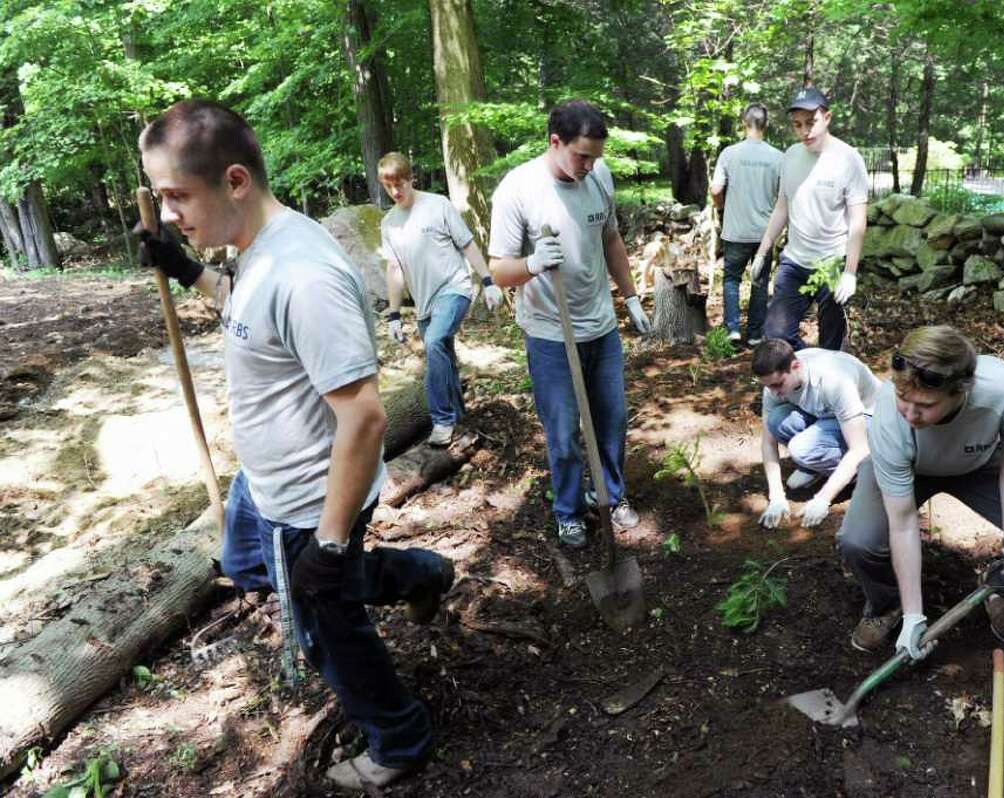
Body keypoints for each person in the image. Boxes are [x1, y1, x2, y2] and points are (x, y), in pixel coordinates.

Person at [136, 100, 453, 791]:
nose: (167, 214)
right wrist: (187, 269)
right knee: (244, 563)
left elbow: (365, 420)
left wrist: (331, 544)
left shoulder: (305, 274)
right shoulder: (256, 252)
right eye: (161, 198)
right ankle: (415, 575)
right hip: (263, 483)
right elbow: (248, 311)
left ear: (236, 180)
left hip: (311, 502)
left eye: (176, 197)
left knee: (325, 633)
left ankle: (399, 740)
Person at [836, 326, 1004, 657]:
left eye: (925, 405)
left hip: (982, 465)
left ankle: (1001, 589)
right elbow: (903, 523)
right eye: (903, 397)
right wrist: (913, 615)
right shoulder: (891, 420)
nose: (910, 413)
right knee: (858, 542)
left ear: (962, 390)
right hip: (911, 469)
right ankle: (888, 605)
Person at [487, 99, 650, 548]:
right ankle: (569, 511)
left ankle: (611, 496)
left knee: (612, 421)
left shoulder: (599, 176)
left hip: (601, 327)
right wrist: (534, 263)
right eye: (581, 155)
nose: (590, 165)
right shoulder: (518, 190)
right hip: (550, 334)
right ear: (554, 142)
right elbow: (499, 269)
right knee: (562, 435)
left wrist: (631, 296)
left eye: (595, 156)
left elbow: (611, 237)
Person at [378, 152, 503, 446]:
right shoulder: (389, 223)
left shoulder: (438, 205)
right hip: (424, 305)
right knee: (442, 353)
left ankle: (443, 420)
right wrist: (394, 315)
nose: (396, 191)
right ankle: (461, 418)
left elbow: (468, 244)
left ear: (411, 179)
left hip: (454, 289)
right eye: (389, 186)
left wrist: (488, 281)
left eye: (400, 184)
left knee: (434, 341)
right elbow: (394, 269)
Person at [751, 87, 868, 351]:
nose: (805, 131)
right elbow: (782, 206)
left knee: (832, 342)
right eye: (797, 125)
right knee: (776, 334)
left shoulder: (849, 159)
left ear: (827, 117)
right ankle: (811, 369)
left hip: (831, 263)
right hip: (795, 262)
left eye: (811, 122)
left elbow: (858, 222)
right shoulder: (791, 156)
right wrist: (762, 252)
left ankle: (830, 375)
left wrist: (849, 272)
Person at [752, 338, 881, 530]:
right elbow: (768, 443)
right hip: (828, 415)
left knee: (801, 449)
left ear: (795, 366)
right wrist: (776, 497)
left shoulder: (834, 381)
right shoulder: (774, 385)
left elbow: (860, 447)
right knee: (776, 420)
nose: (774, 393)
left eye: (778, 385)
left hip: (871, 420)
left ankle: (859, 474)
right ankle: (819, 465)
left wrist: (823, 499)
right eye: (769, 386)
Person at [710, 103, 783, 346]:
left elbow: (716, 189)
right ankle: (754, 335)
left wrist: (721, 209)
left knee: (731, 279)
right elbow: (784, 196)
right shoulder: (777, 157)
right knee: (759, 284)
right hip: (764, 234)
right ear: (767, 125)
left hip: (735, 231)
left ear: (744, 122)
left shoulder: (729, 153)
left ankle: (732, 329)